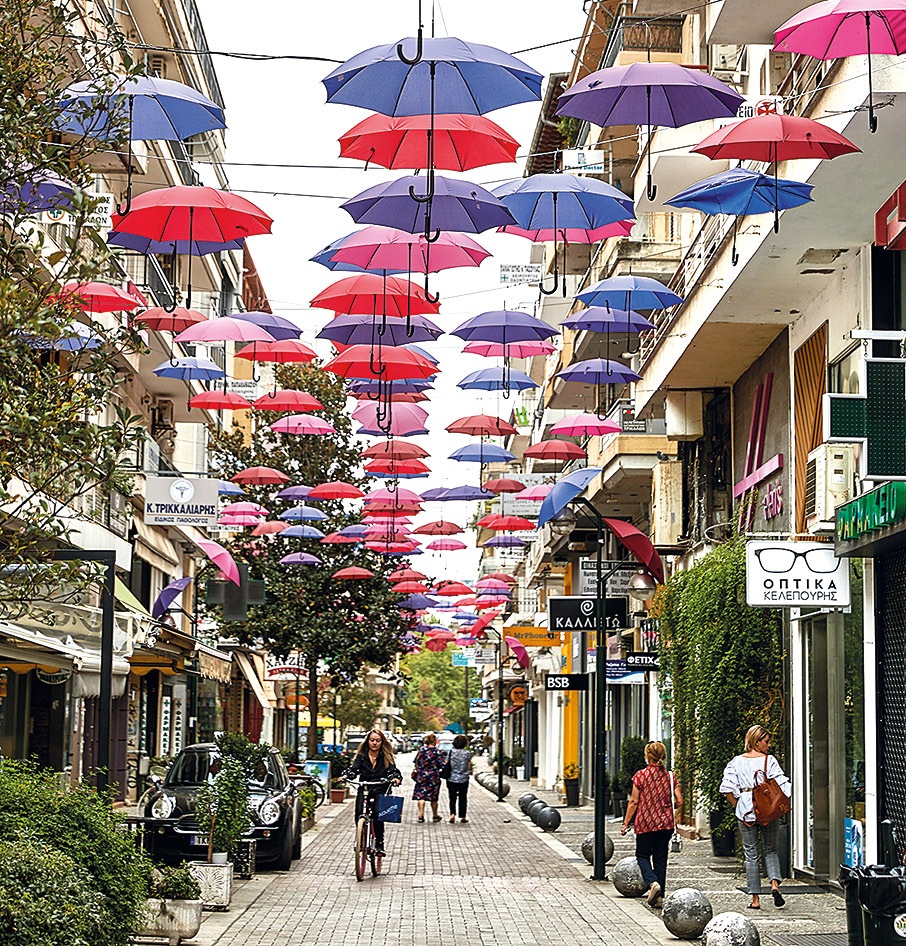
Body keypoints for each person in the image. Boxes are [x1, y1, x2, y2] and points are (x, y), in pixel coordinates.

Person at [719, 725, 791, 910]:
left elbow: (727, 788)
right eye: (766, 742)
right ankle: (774, 885)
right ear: (756, 742)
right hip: (767, 809)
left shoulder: (736, 762)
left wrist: (739, 806)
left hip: (746, 810)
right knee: (771, 849)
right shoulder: (769, 761)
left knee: (751, 854)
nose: (769, 745)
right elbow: (783, 787)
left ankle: (755, 899)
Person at [621, 741, 682, 908]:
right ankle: (659, 898)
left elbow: (634, 801)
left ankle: (652, 883)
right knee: (660, 858)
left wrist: (626, 823)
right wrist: (667, 807)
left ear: (648, 756)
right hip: (665, 824)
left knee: (642, 856)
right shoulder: (670, 777)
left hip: (646, 823)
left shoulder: (640, 776)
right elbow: (679, 801)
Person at [344, 729, 401, 856]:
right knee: (359, 811)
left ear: (382, 742)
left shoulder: (386, 756)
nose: (374, 743)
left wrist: (395, 778)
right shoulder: (362, 756)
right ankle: (361, 836)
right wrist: (346, 776)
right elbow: (354, 769)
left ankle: (379, 844)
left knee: (377, 814)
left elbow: (392, 770)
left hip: (380, 788)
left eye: (377, 741)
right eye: (372, 740)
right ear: (368, 741)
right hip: (365, 788)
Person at [412, 733, 444, 822]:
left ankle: (421, 815)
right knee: (434, 796)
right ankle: (435, 815)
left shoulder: (421, 750)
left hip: (421, 775)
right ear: (434, 741)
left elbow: (416, 762)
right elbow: (442, 764)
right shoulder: (437, 751)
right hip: (433, 776)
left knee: (421, 795)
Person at [446, 734, 473, 823]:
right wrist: (469, 770)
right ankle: (463, 816)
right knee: (463, 797)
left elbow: (446, 762)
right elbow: (469, 764)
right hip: (463, 778)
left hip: (451, 778)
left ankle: (452, 814)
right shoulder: (467, 753)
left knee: (452, 797)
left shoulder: (451, 752)